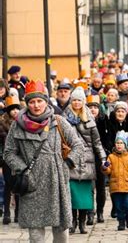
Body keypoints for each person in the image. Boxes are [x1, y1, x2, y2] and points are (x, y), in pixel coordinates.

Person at [3, 80, 83, 242]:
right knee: (36, 233)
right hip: (32, 182)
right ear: (27, 103)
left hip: (57, 181)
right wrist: (23, 170)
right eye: (32, 102)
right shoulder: (17, 126)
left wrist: (66, 164)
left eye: (40, 101)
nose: (36, 105)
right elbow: (9, 153)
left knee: (61, 231)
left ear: (46, 101)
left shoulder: (58, 121)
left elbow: (78, 145)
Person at [62, 87, 106, 233]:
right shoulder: (64, 119)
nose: (76, 103)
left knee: (85, 195)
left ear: (83, 102)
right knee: (72, 194)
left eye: (79, 100)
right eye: (74, 100)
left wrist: (103, 158)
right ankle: (73, 221)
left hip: (88, 161)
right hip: (71, 160)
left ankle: (82, 221)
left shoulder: (90, 120)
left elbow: (97, 143)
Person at [102, 130, 128, 231]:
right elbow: (108, 170)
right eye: (117, 143)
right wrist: (105, 167)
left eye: (121, 143)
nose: (119, 145)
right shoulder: (111, 157)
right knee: (118, 206)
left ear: (125, 144)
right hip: (115, 186)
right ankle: (121, 222)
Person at [86, 94, 109, 223]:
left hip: (101, 157)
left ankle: (100, 211)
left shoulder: (104, 121)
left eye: (95, 107)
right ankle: (90, 212)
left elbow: (108, 139)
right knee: (89, 186)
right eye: (90, 107)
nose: (93, 109)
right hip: (87, 157)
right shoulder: (83, 120)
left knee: (101, 186)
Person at [0, 95, 21, 224]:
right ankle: (7, 212)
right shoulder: (2, 124)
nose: (15, 111)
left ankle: (18, 213)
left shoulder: (23, 123)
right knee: (8, 184)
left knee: (18, 184)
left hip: (20, 158)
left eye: (17, 108)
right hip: (7, 158)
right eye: (12, 109)